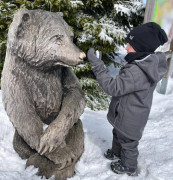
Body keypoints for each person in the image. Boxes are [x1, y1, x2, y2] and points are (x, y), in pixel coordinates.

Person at [87, 22, 168, 176]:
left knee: (128, 143)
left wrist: (97, 65)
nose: (126, 48)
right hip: (127, 114)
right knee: (118, 134)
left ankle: (129, 166)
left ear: (141, 48)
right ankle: (117, 153)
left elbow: (113, 87)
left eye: (130, 45)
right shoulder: (144, 63)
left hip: (130, 117)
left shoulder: (137, 71)